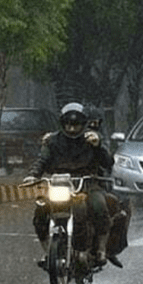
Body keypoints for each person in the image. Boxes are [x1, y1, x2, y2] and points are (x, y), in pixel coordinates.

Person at [24, 103, 114, 265]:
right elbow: (42, 160)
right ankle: (47, 251)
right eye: (68, 125)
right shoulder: (52, 141)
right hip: (59, 184)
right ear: (62, 123)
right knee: (41, 212)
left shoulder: (92, 139)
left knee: (99, 205)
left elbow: (108, 163)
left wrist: (98, 146)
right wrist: (32, 175)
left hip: (87, 184)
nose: (72, 129)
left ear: (83, 123)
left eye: (76, 125)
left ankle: (100, 249)